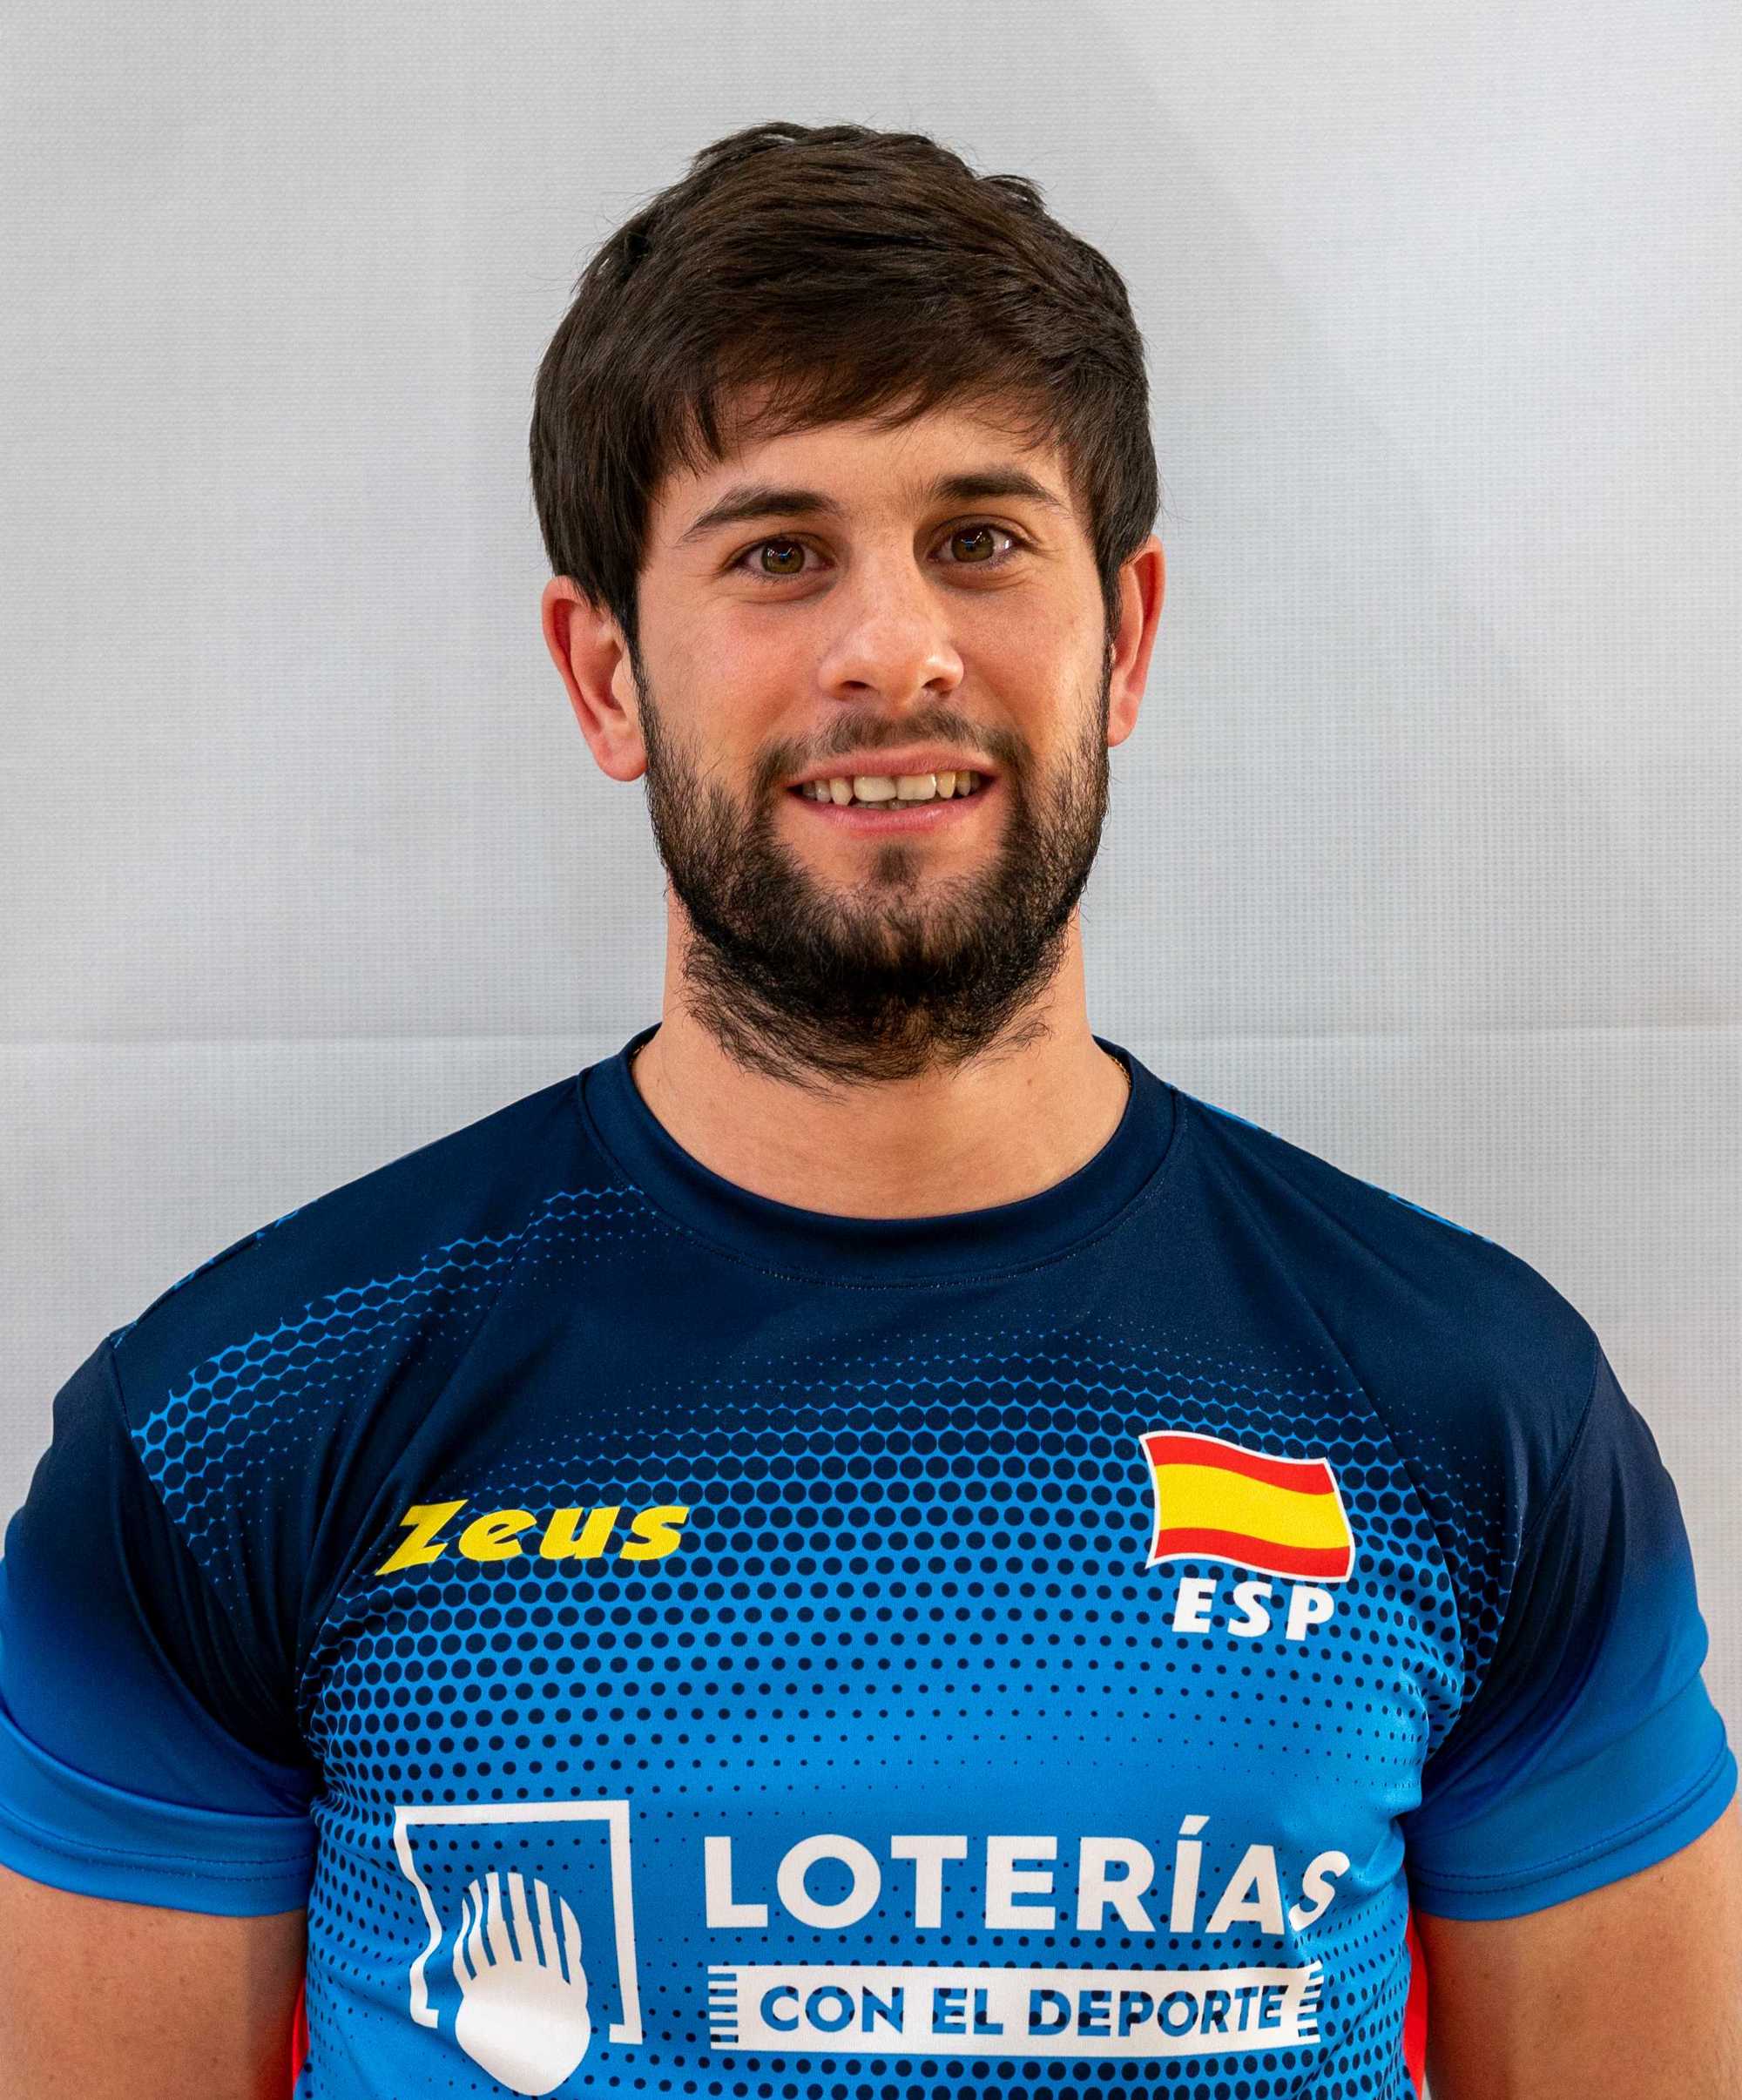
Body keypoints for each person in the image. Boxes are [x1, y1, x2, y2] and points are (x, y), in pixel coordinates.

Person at [0, 118, 1736, 2100]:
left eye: (980, 539)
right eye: (778, 552)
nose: (894, 650)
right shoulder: (235, 1423)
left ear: (1126, 639)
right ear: (605, 675)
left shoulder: (1471, 1404)